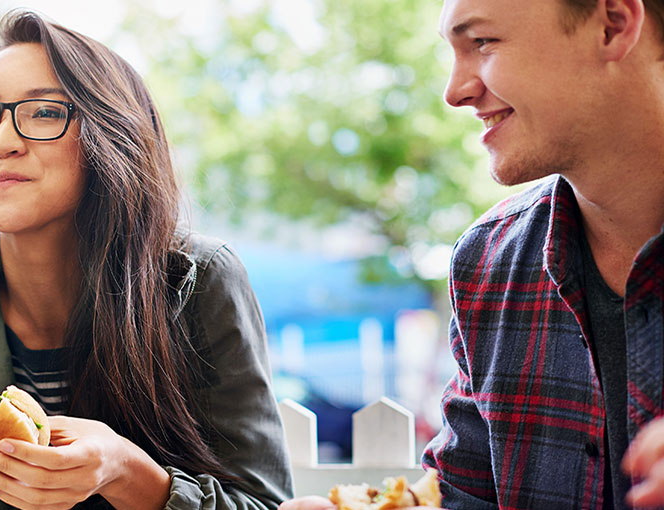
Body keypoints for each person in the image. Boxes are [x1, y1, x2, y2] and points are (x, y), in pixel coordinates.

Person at [0, 9, 291, 510]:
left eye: (45, 113)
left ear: (109, 138)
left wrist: (129, 475)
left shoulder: (198, 280)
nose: (0, 142)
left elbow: (267, 503)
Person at [282, 0, 664, 509]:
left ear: (612, 25)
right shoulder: (488, 262)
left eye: (482, 43)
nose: (454, 91)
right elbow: (462, 497)